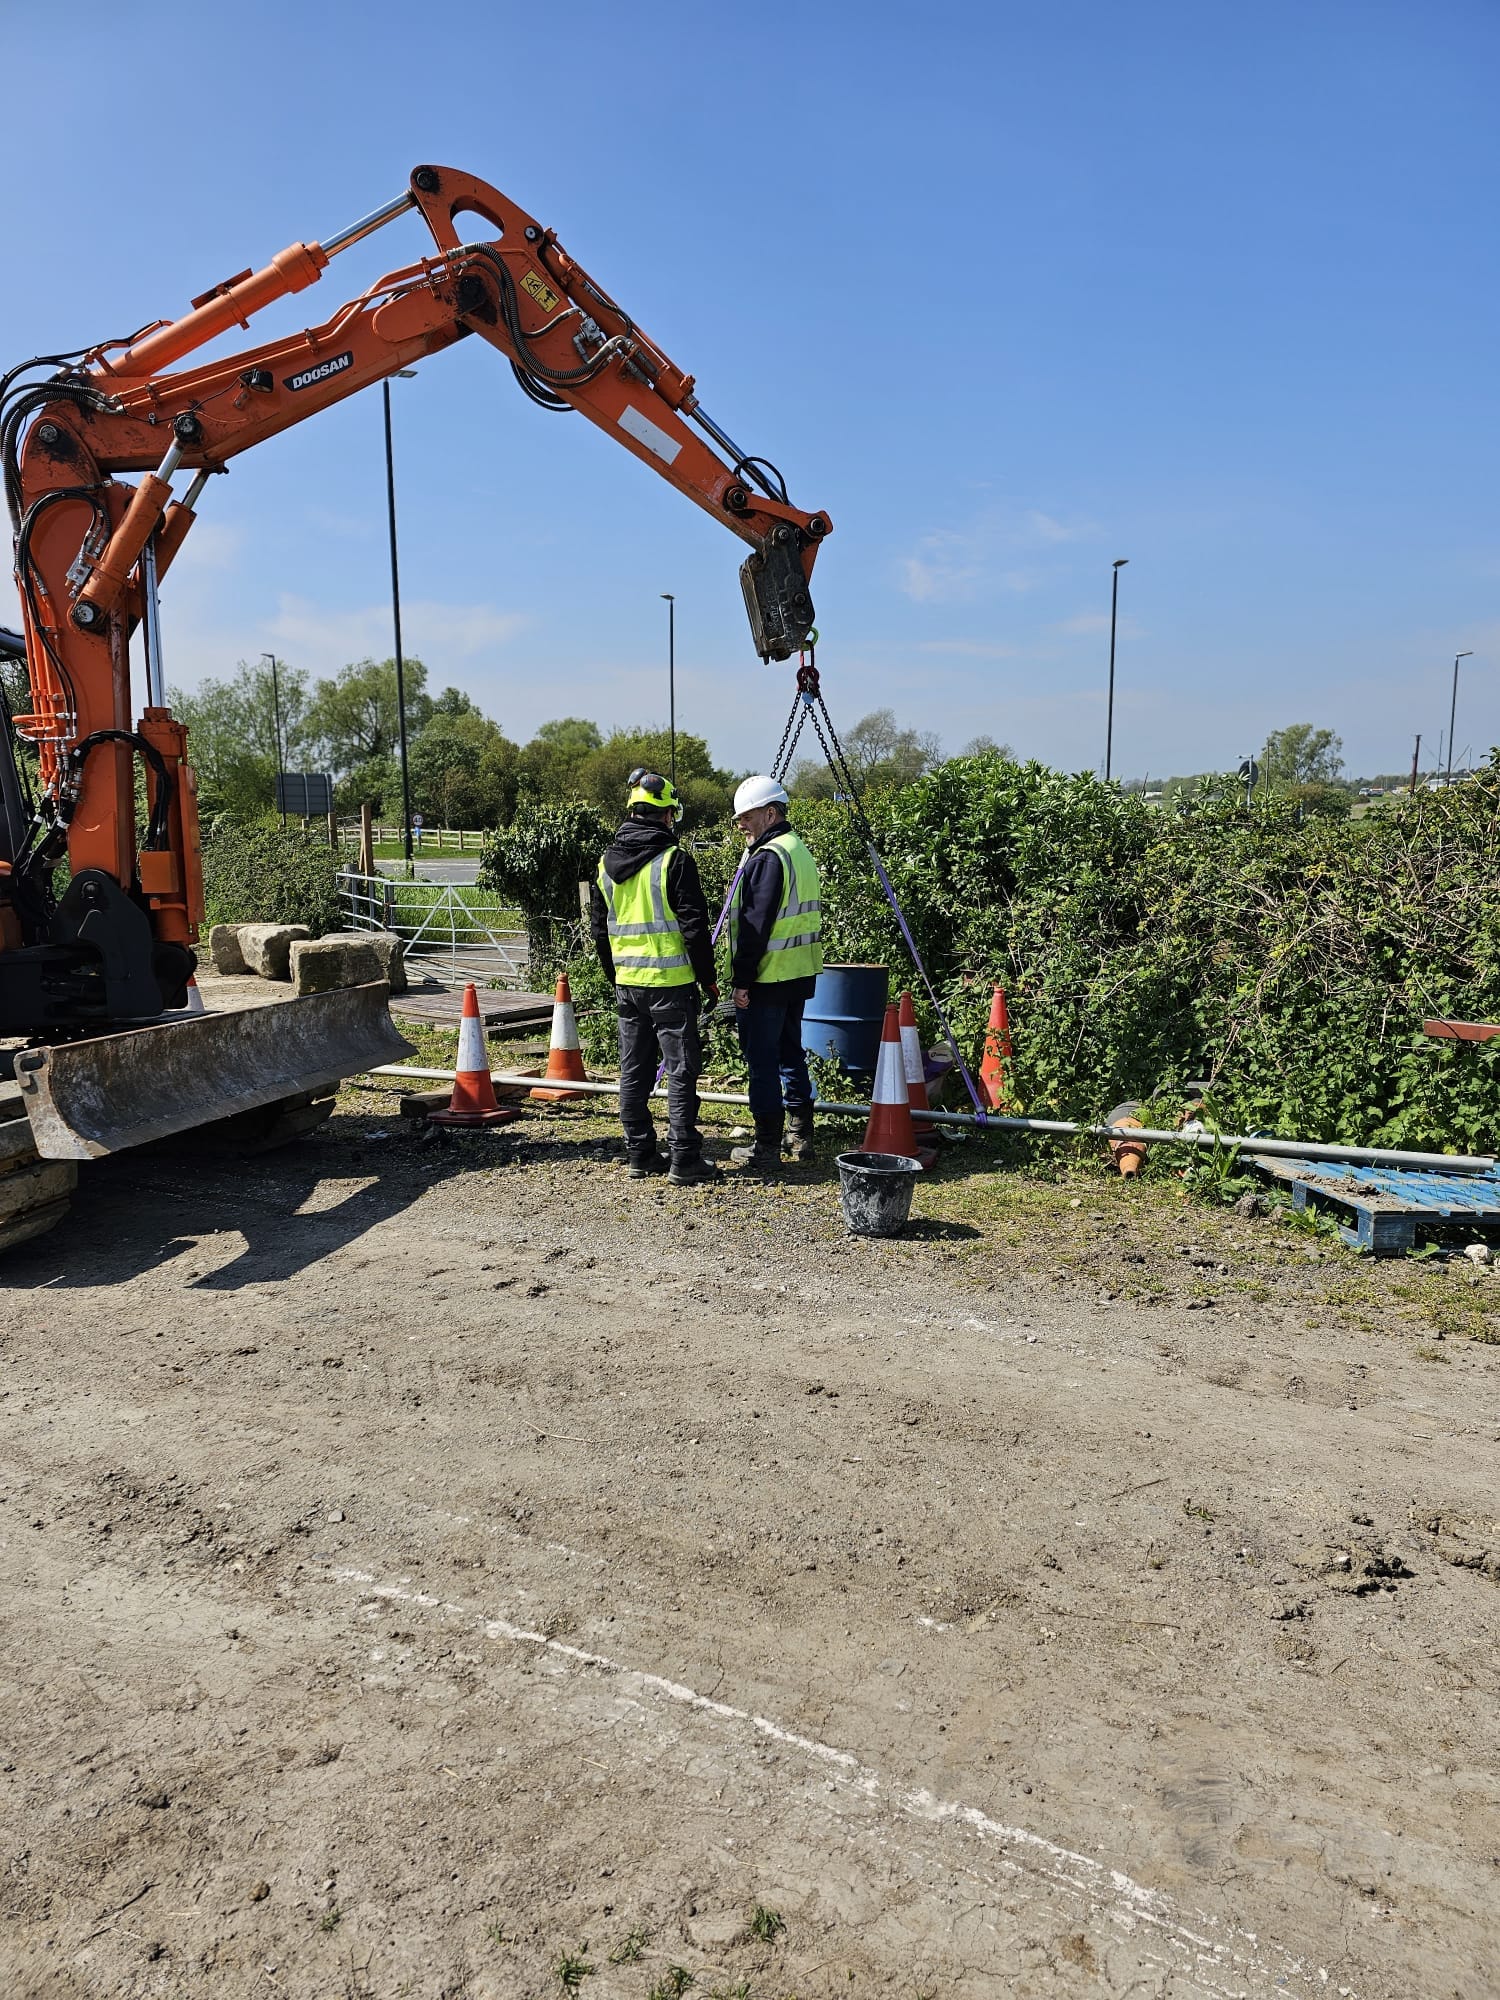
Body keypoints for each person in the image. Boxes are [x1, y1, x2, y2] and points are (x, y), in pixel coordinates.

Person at [589, 771, 722, 1187]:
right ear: (666, 815)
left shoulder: (604, 867)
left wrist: (616, 977)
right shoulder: (675, 861)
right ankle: (684, 1157)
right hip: (672, 986)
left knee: (633, 1070)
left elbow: (599, 930)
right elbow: (695, 929)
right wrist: (708, 980)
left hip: (628, 986)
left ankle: (640, 1153)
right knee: (681, 1070)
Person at [725, 775, 824, 1171]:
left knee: (761, 1061)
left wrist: (741, 981)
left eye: (746, 817)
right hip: (798, 974)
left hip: (767, 978)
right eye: (738, 820)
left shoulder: (768, 858)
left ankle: (766, 1146)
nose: (741, 826)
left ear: (770, 813)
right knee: (789, 1052)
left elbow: (754, 925)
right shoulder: (797, 849)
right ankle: (801, 1133)